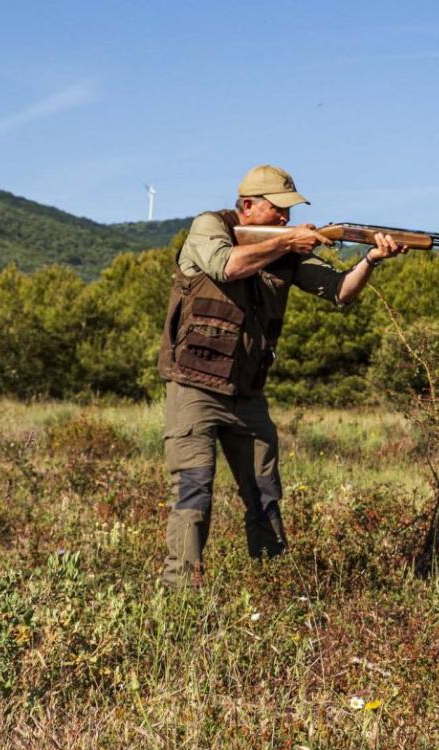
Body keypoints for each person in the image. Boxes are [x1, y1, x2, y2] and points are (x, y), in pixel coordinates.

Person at [156, 164, 406, 589]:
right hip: (195, 386)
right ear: (249, 206)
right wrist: (290, 240)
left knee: (266, 496)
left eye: (290, 212)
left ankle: (272, 589)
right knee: (194, 494)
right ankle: (181, 599)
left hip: (247, 394)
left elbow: (340, 291)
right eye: (279, 210)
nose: (286, 219)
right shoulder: (209, 227)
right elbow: (227, 267)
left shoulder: (284, 247)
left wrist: (371, 259)